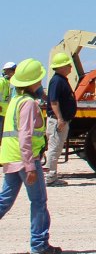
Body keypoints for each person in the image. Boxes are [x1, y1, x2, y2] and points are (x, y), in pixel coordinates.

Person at [0, 58, 60, 254]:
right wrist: (30, 166)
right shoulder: (28, 104)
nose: (41, 83)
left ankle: (39, 244)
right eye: (39, 80)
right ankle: (39, 245)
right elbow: (25, 135)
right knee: (39, 202)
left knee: (4, 201)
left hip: (10, 158)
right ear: (33, 83)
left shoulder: (15, 101)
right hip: (24, 161)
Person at [42, 54, 75, 188]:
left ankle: (52, 175)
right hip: (57, 121)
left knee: (56, 147)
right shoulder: (57, 81)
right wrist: (60, 118)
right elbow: (54, 101)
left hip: (59, 120)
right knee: (54, 148)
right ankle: (51, 177)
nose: (70, 67)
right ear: (61, 67)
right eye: (68, 65)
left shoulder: (60, 80)